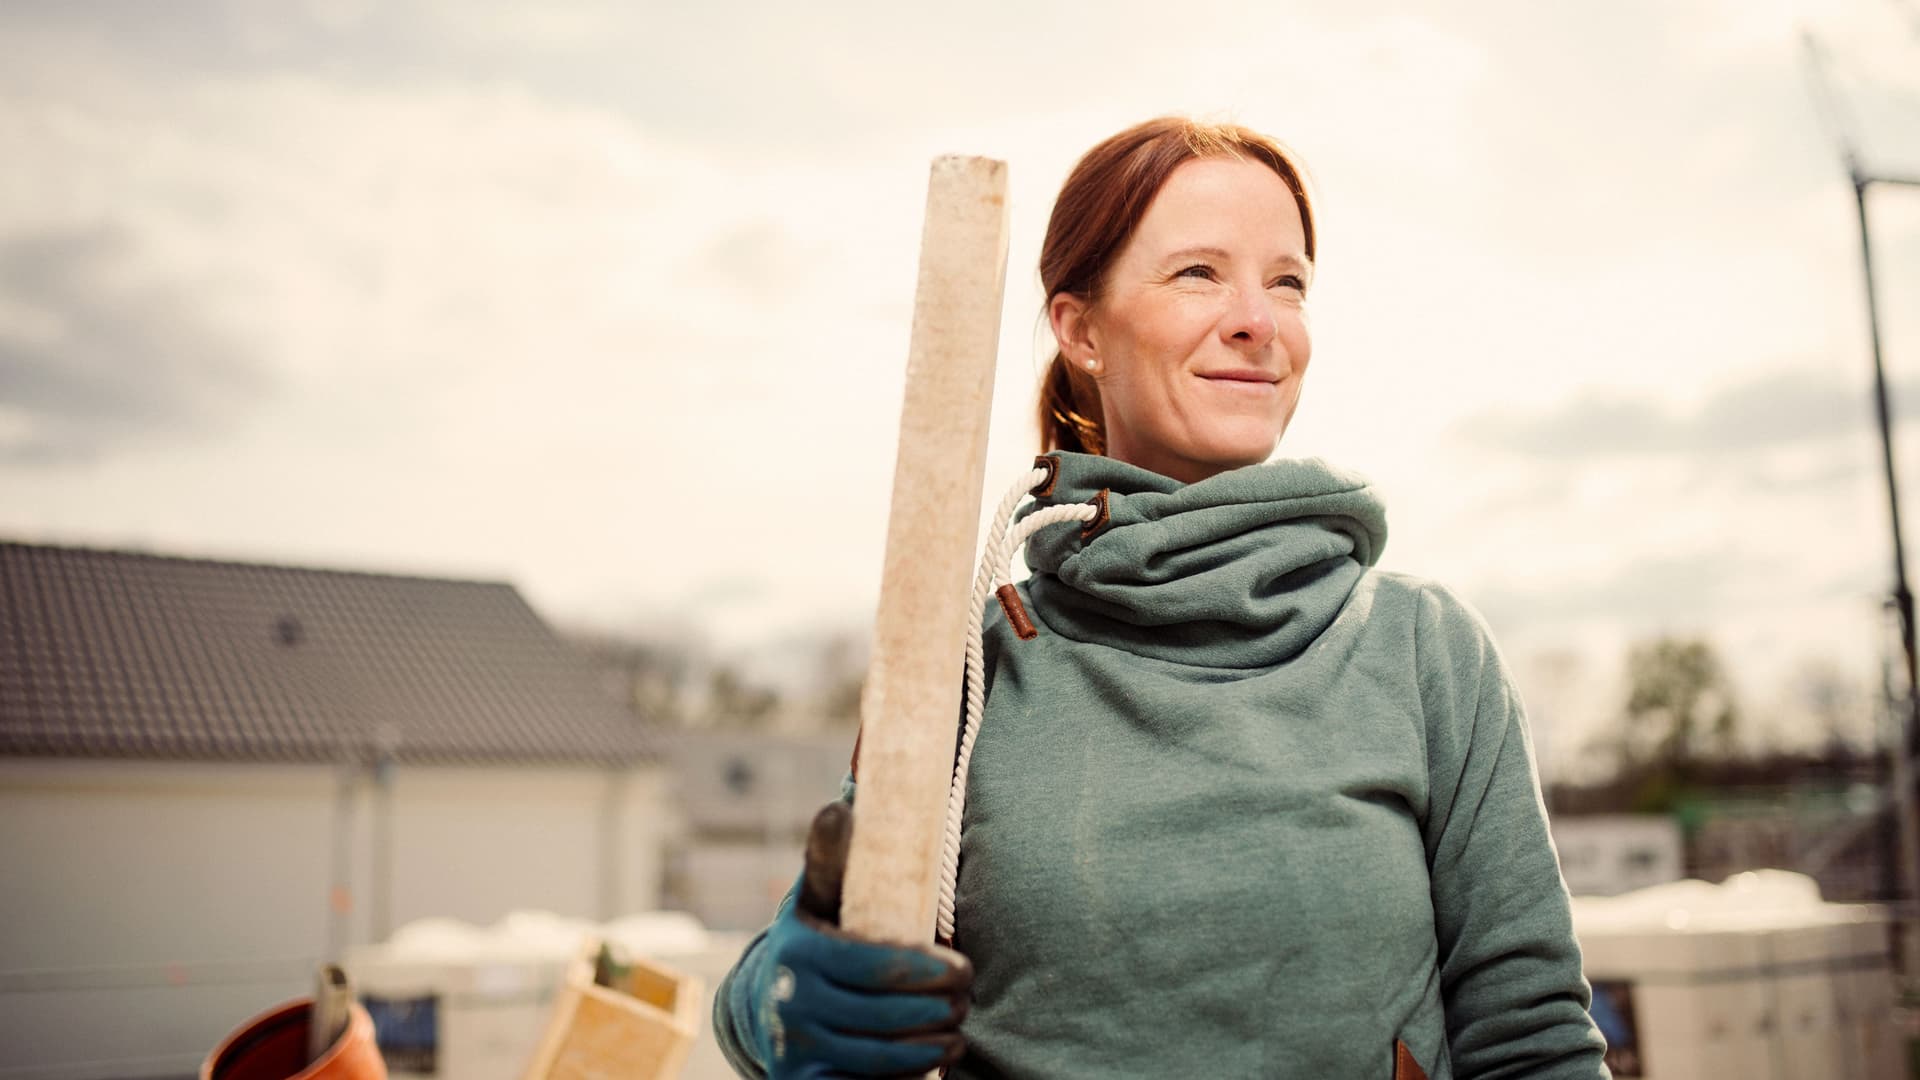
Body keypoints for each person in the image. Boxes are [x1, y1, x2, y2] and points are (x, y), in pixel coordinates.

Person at [714, 116, 1609, 1079]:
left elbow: (1534, 1038)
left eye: (1288, 281)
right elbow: (771, 985)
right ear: (1082, 328)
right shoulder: (972, 674)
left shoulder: (1423, 651)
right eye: (1198, 273)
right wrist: (779, 1001)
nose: (1257, 321)